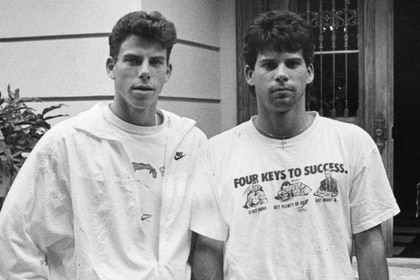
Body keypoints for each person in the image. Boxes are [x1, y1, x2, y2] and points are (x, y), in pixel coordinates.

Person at [190, 10, 400, 280]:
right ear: (249, 74)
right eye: (268, 65)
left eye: (292, 63)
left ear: (309, 72)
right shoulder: (216, 153)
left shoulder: (352, 143)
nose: (281, 75)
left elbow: (369, 241)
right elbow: (208, 250)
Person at [0, 11, 206, 279]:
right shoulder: (69, 142)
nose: (144, 72)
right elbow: (15, 236)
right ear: (111, 66)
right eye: (133, 60)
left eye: (155, 62)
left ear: (167, 71)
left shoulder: (190, 141)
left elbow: (207, 240)